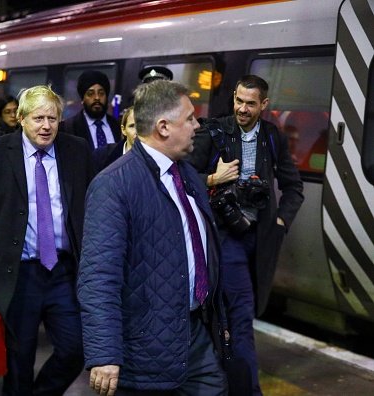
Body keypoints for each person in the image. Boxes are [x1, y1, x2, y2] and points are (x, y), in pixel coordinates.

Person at [77, 80, 228, 395]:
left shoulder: (187, 176)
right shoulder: (115, 185)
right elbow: (98, 277)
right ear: (163, 127)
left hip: (194, 334)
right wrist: (104, 355)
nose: (197, 126)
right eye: (189, 118)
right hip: (145, 344)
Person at [0, 85, 94, 395]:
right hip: (16, 274)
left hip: (63, 271)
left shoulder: (77, 151)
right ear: (20, 119)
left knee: (76, 349)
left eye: (53, 118)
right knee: (18, 360)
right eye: (38, 118)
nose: (46, 126)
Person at [184, 75, 304, 395]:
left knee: (239, 314)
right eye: (239, 100)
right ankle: (249, 390)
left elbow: (294, 187)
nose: (242, 108)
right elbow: (181, 177)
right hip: (226, 237)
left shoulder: (272, 136)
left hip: (261, 238)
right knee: (241, 314)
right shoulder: (215, 131)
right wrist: (213, 178)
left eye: (251, 103)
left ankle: (223, 379)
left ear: (264, 105)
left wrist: (280, 222)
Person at [59, 70, 121, 152]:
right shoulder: (67, 128)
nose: (97, 98)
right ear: (83, 99)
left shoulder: (119, 125)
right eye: (91, 94)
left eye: (101, 93)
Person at [91, 106, 136, 172]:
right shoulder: (102, 156)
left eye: (142, 126)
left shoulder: (155, 158)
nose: (137, 131)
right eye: (132, 126)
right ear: (123, 130)